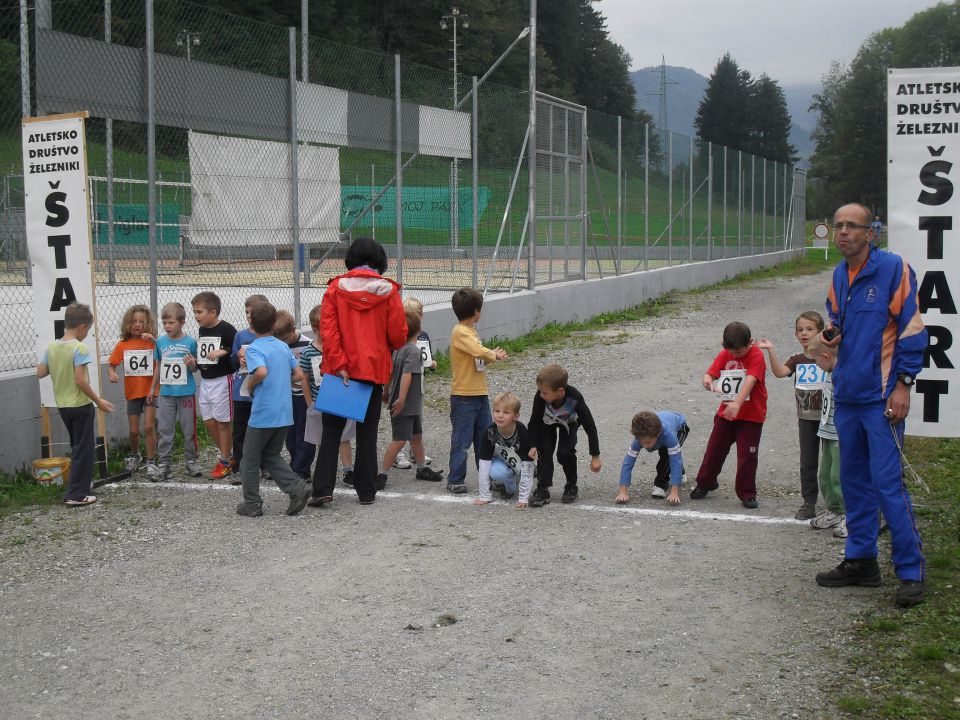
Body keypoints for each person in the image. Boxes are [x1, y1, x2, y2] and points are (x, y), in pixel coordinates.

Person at [815, 203, 927, 608]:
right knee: (855, 483)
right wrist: (830, 333)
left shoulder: (894, 269)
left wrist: (903, 383)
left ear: (870, 233)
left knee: (888, 485)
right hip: (847, 396)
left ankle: (911, 571)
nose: (842, 232)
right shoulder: (838, 276)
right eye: (838, 225)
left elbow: (913, 329)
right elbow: (835, 318)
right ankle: (861, 561)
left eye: (851, 226)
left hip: (882, 399)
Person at [313, 237, 407, 505]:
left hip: (339, 370)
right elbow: (399, 337)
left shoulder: (335, 289)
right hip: (372, 369)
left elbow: (328, 332)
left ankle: (322, 489)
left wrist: (340, 363)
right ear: (380, 261)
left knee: (331, 433)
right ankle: (366, 491)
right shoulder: (388, 291)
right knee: (368, 432)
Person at [235, 301, 311, 517]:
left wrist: (250, 385)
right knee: (271, 454)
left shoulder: (256, 348)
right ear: (273, 323)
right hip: (284, 411)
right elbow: (298, 375)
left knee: (249, 459)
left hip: (263, 413)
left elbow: (260, 372)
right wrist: (281, 381)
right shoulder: (282, 346)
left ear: (251, 322)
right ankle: (297, 488)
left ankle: (252, 503)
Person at [37, 302, 114, 506]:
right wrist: (98, 401)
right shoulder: (79, 348)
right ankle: (77, 494)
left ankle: (76, 488)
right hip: (80, 405)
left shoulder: (52, 346)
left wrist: (57, 365)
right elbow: (80, 380)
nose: (87, 332)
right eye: (88, 329)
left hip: (62, 405)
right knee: (83, 449)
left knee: (77, 446)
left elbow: (40, 372)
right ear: (82, 326)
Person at [690, 321, 767, 509]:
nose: (735, 355)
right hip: (726, 415)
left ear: (751, 342)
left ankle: (747, 492)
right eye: (731, 352)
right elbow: (710, 373)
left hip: (751, 416)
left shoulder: (757, 355)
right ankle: (705, 482)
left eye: (739, 352)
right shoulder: (726, 353)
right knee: (714, 450)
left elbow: (750, 380)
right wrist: (707, 381)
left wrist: (737, 403)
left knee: (747, 456)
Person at [756, 311, 825, 520]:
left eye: (810, 329)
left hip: (829, 417)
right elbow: (779, 372)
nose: (805, 334)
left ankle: (837, 503)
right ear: (796, 334)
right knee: (808, 461)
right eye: (801, 330)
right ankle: (809, 501)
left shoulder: (828, 356)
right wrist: (771, 351)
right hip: (806, 418)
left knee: (834, 461)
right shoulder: (798, 359)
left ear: (820, 332)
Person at [447, 287, 508, 494]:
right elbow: (478, 351)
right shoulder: (460, 333)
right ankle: (455, 478)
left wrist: (489, 357)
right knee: (462, 441)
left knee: (485, 438)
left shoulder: (470, 332)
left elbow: (477, 359)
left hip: (479, 393)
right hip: (463, 396)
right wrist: (493, 354)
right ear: (475, 311)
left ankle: (486, 477)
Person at [377, 309, 444, 489]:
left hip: (412, 405)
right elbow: (407, 375)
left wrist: (387, 391)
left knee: (417, 436)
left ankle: (421, 468)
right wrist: (401, 398)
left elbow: (391, 372)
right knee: (399, 440)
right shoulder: (413, 352)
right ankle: (381, 474)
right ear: (419, 330)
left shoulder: (398, 349)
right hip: (405, 405)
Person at [298, 304, 357, 507]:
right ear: (315, 329)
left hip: (339, 401)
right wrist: (309, 402)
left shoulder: (342, 349)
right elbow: (304, 378)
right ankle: (325, 473)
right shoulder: (308, 353)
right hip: (319, 403)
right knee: (324, 441)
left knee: (344, 437)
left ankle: (348, 470)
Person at [527, 363, 602, 507]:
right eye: (540, 391)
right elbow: (534, 421)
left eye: (545, 392)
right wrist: (533, 445)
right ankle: (543, 488)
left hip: (569, 423)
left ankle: (571, 486)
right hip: (547, 422)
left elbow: (590, 426)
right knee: (544, 449)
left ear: (560, 391)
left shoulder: (575, 398)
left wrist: (595, 455)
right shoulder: (540, 397)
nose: (541, 395)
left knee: (564, 453)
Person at [150, 302, 200, 481]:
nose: (167, 326)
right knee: (165, 429)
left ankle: (191, 461)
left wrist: (192, 364)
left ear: (182, 322)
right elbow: (158, 367)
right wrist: (152, 389)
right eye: (164, 323)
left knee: (188, 429)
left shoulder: (191, 342)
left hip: (186, 393)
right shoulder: (161, 342)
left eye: (171, 322)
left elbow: (195, 370)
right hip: (166, 393)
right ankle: (164, 464)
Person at [191, 291, 237, 481]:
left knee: (222, 421)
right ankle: (229, 455)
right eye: (194, 311)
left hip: (222, 380)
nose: (195, 316)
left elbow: (235, 350)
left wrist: (223, 352)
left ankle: (225, 461)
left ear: (213, 312)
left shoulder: (227, 329)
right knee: (209, 421)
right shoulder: (203, 330)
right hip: (206, 380)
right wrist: (194, 362)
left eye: (199, 312)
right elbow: (205, 353)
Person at [107, 304, 157, 474]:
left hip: (151, 390)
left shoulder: (152, 342)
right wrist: (112, 372)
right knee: (134, 430)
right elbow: (112, 364)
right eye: (134, 321)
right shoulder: (123, 345)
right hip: (133, 392)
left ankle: (151, 461)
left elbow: (165, 354)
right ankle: (135, 455)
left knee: (149, 426)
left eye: (141, 322)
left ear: (147, 324)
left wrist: (154, 342)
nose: (137, 325)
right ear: (128, 323)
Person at [804, 333, 846, 538]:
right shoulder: (830, 373)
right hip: (827, 430)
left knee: (840, 475)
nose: (816, 365)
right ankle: (835, 510)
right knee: (826, 474)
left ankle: (851, 515)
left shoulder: (844, 375)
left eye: (816, 360)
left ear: (826, 357)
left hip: (840, 433)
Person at [392, 296, 436, 470]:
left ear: (421, 316)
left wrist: (433, 364)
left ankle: (414, 449)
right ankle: (397, 453)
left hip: (418, 384)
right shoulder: (398, 337)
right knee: (401, 419)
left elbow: (428, 358)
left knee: (417, 419)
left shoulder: (423, 336)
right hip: (401, 383)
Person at [229, 294, 269, 486]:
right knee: (239, 431)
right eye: (246, 312)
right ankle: (238, 467)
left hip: (260, 391)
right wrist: (238, 357)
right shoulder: (241, 335)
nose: (249, 316)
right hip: (241, 391)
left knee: (262, 430)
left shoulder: (269, 337)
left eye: (253, 312)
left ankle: (264, 465)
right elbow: (232, 361)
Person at [473, 392, 536, 509]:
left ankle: (517, 479)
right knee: (497, 472)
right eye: (497, 411)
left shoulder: (522, 431)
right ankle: (510, 485)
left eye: (506, 412)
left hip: (520, 462)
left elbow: (527, 463)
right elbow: (484, 463)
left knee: (529, 471)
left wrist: (523, 498)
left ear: (516, 416)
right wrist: (484, 495)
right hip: (501, 461)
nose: (500, 416)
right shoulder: (489, 432)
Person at [616, 410, 689, 506]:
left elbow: (676, 460)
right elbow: (628, 462)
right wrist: (623, 492)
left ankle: (661, 484)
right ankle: (681, 474)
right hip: (661, 428)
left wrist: (674, 492)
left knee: (667, 455)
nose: (645, 446)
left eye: (648, 442)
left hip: (680, 427)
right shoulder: (639, 438)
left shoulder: (669, 436)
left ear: (658, 434)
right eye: (642, 442)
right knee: (667, 453)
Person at [273, 309, 313, 480]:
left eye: (286, 339)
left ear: (294, 329)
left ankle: (302, 469)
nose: (284, 343)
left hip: (303, 396)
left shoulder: (308, 345)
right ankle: (296, 462)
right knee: (290, 434)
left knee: (304, 433)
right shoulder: (278, 347)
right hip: (286, 396)